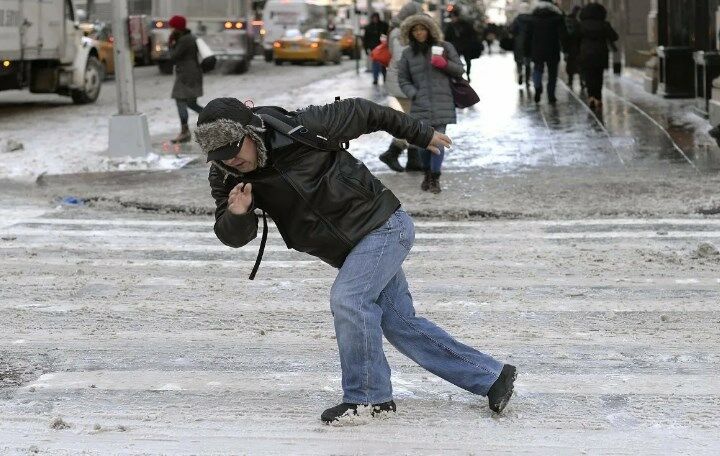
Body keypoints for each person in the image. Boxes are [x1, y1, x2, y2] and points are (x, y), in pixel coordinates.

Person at [193, 96, 517, 423]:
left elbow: (365, 112)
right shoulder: (226, 176)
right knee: (399, 323)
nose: (231, 161)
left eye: (234, 149)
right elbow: (232, 235)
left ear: (251, 132)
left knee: (349, 299)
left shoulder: (300, 127)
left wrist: (421, 134)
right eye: (220, 156)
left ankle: (368, 398)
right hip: (349, 252)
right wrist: (238, 213)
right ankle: (490, 376)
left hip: (384, 226)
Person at [399, 14, 464, 194]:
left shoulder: (444, 47)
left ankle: (435, 178)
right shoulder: (407, 53)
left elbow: (459, 70)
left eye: (422, 29)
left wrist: (444, 64)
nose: (419, 33)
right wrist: (414, 93)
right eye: (415, 30)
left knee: (439, 141)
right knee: (422, 143)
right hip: (420, 104)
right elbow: (403, 79)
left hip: (442, 102)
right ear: (411, 33)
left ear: (429, 30)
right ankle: (427, 173)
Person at [379, 1, 425, 173]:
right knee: (413, 122)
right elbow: (401, 58)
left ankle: (412, 159)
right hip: (402, 84)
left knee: (414, 121)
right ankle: (394, 153)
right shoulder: (399, 33)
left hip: (405, 83)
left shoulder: (401, 31)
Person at [167, 15, 204, 144]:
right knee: (190, 103)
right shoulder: (188, 37)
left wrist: (170, 44)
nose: (170, 29)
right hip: (191, 73)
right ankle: (212, 118)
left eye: (172, 27)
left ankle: (185, 132)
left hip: (187, 74)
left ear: (177, 27)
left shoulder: (185, 40)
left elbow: (174, 56)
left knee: (180, 100)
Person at [523, 0, 568, 104]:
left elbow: (527, 37)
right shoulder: (557, 19)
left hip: (537, 49)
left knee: (538, 70)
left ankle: (537, 86)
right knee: (552, 74)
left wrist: (526, 52)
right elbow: (563, 35)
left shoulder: (532, 19)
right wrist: (566, 50)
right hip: (553, 49)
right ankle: (551, 95)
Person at [578, 3, 619, 109]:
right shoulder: (604, 24)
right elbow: (614, 37)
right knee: (598, 76)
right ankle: (598, 98)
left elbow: (574, 38)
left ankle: (591, 96)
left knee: (588, 76)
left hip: (585, 53)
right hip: (600, 53)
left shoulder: (581, 24)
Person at [443, 9, 482, 82]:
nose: (453, 19)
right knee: (456, 62)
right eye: (451, 17)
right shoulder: (450, 26)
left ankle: (468, 74)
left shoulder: (465, 24)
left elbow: (472, 34)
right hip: (456, 47)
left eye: (454, 17)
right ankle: (459, 75)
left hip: (466, 46)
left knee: (468, 61)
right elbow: (447, 38)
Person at [509, 2, 532, 87]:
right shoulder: (532, 19)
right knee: (528, 62)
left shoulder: (517, 19)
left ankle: (520, 73)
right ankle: (527, 80)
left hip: (518, 43)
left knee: (519, 61)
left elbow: (512, 30)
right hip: (529, 43)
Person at [363, 13, 390, 85]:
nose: (375, 19)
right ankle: (375, 78)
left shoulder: (383, 25)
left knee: (383, 63)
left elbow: (388, 34)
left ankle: (384, 77)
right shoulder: (368, 27)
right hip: (374, 48)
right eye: (374, 18)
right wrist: (366, 49)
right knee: (375, 64)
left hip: (382, 48)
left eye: (376, 17)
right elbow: (365, 39)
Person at [564, 6, 582, 90]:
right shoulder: (575, 22)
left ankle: (574, 81)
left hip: (572, 46)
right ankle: (580, 81)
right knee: (577, 64)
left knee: (572, 65)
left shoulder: (569, 21)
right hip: (575, 46)